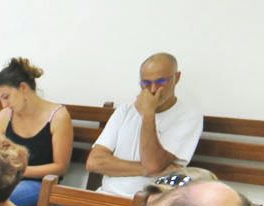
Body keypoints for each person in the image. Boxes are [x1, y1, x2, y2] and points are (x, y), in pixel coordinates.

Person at [87, 53, 203, 197]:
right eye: (146, 83)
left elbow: (152, 163)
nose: (153, 89)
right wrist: (148, 170)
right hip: (104, 197)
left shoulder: (188, 116)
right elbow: (94, 162)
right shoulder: (125, 110)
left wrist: (148, 114)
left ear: (177, 78)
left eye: (161, 81)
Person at [0, 57, 72, 206]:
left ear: (23, 88)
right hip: (6, 179)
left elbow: (61, 167)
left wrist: (20, 171)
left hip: (40, 183)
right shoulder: (4, 116)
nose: (3, 104)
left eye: (6, 97)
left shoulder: (58, 116)